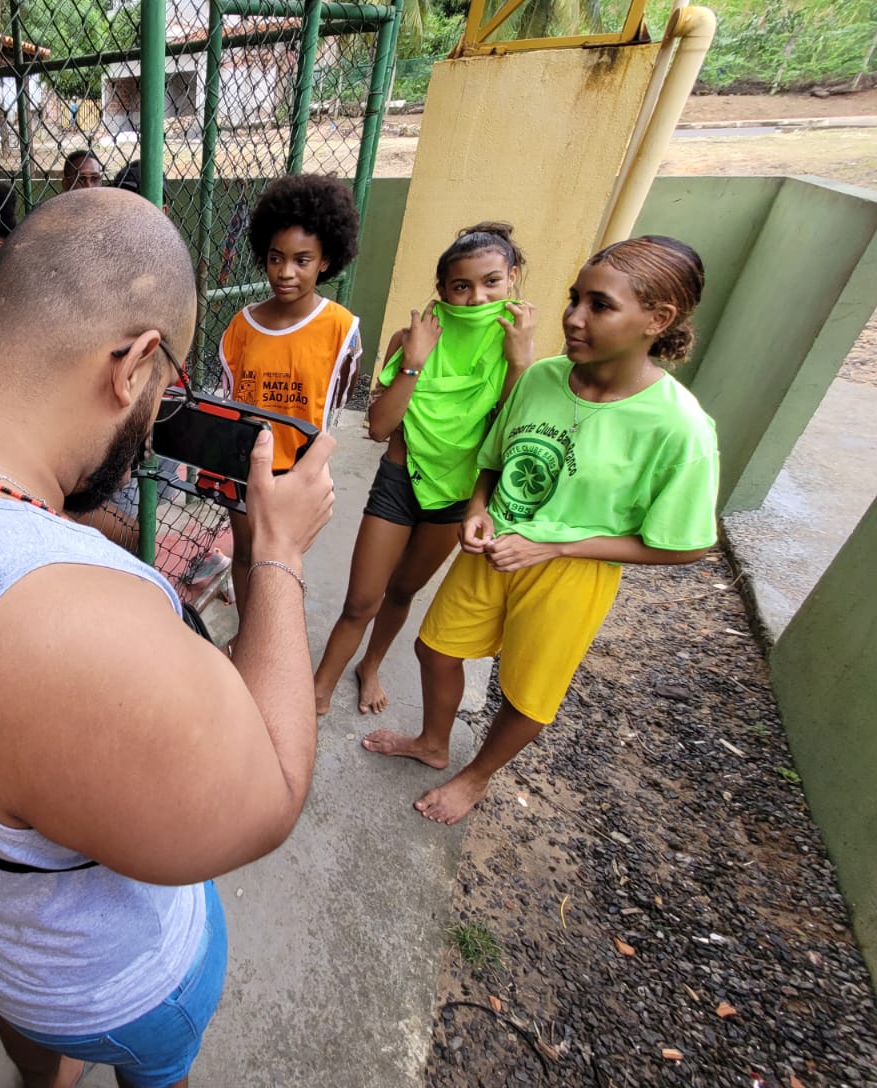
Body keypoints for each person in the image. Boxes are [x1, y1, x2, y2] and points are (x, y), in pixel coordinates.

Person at [0, 187, 337, 1088]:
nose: (158, 414)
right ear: (136, 363)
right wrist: (275, 555)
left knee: (31, 1041)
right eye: (167, 385)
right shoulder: (87, 621)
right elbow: (270, 798)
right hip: (120, 984)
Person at [363, 236, 719, 825]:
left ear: (658, 319)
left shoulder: (680, 427)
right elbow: (494, 460)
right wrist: (479, 507)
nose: (573, 317)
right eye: (575, 298)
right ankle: (433, 742)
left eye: (599, 306)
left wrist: (555, 544)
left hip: (571, 573)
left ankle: (476, 776)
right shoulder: (543, 378)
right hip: (494, 547)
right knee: (436, 649)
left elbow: (688, 546)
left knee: (528, 691)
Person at [313, 223, 536, 716]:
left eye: (491, 282)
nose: (477, 299)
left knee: (403, 591)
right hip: (399, 480)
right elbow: (378, 427)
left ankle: (370, 665)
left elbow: (507, 434)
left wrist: (520, 365)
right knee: (361, 600)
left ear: (512, 278)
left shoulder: (514, 348)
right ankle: (319, 687)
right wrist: (414, 361)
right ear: (442, 289)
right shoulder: (414, 338)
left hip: (457, 494)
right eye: (462, 286)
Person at [219, 174, 362, 619]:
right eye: (276, 258)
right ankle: (249, 633)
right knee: (246, 554)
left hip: (297, 470)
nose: (285, 272)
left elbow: (339, 395)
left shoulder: (341, 329)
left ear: (326, 261)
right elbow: (229, 399)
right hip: (245, 465)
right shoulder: (242, 325)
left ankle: (271, 633)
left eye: (302, 260)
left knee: (280, 561)